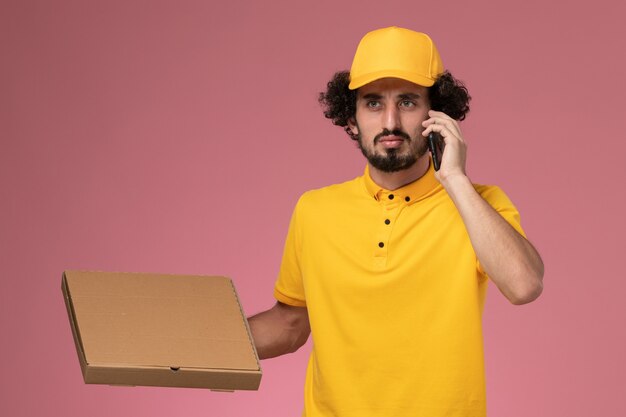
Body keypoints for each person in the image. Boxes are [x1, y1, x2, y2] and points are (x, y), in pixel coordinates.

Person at [248, 26, 544, 417]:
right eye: (373, 103)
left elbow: (524, 285)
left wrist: (454, 180)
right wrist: (191, 341)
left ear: (436, 115)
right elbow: (289, 325)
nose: (390, 121)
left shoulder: (479, 205)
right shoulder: (314, 210)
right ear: (351, 119)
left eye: (407, 102)